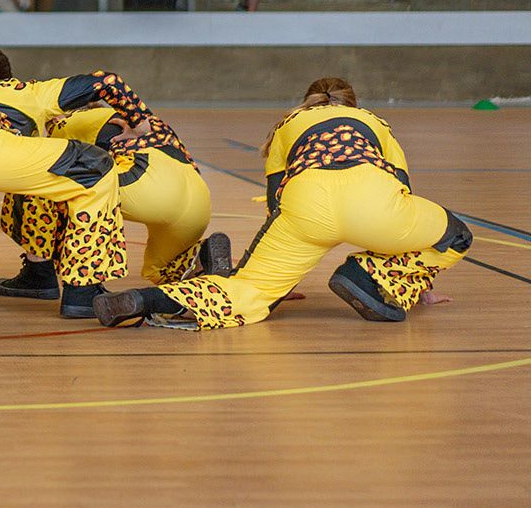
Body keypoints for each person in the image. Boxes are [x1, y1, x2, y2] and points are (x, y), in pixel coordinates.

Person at [93, 78, 469, 330]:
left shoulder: (288, 123)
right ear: (353, 104)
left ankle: (147, 298)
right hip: (373, 200)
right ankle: (370, 277)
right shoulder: (373, 122)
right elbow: (402, 189)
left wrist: (282, 272)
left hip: (305, 207)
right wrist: (415, 281)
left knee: (248, 293)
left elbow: (276, 202)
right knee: (455, 235)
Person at [0, 46, 137, 319]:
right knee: (94, 169)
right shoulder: (24, 90)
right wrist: (140, 121)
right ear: (7, 77)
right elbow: (105, 82)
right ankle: (82, 291)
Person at [0, 92, 226, 304]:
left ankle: (48, 276)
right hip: (198, 200)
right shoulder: (143, 120)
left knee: (39, 174)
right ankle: (200, 261)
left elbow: (48, 153)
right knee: (159, 270)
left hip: (150, 186)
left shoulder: (77, 120)